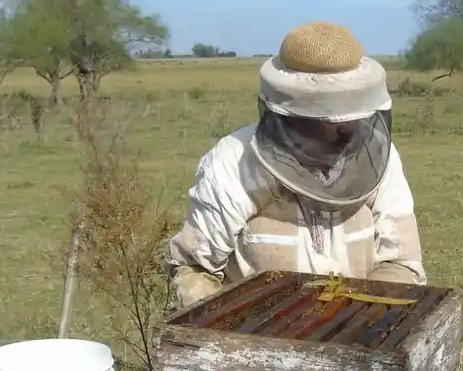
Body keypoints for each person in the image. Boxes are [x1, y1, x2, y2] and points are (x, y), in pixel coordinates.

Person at [167, 21, 425, 308]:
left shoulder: (379, 159)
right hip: (256, 337)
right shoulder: (234, 161)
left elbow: (403, 264)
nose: (347, 130)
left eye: (353, 115)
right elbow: (195, 269)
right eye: (328, 119)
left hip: (359, 338)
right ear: (289, 116)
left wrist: (363, 316)